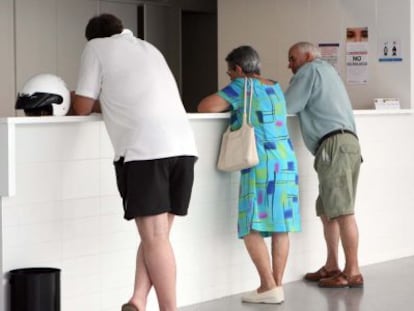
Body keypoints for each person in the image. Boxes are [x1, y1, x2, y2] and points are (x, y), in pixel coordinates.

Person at [71, 13, 198, 311]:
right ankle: (138, 300)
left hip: (146, 151)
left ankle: (169, 309)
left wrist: (68, 96)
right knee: (158, 237)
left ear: (94, 37)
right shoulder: (148, 47)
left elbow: (81, 107)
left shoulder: (96, 48)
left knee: (154, 238)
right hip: (184, 149)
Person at [198, 45, 301, 304]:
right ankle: (275, 286)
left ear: (239, 70)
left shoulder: (242, 86)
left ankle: (267, 285)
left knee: (250, 224)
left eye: (229, 73)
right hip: (285, 160)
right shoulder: (275, 87)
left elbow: (205, 107)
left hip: (261, 163)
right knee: (281, 225)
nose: (229, 77)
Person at [284, 41, 363, 288]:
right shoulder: (329, 71)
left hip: (333, 147)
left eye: (292, 58)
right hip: (346, 144)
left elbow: (288, 105)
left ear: (307, 56)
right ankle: (332, 265)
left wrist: (269, 91)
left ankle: (352, 272)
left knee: (342, 211)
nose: (290, 65)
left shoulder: (310, 70)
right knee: (328, 211)